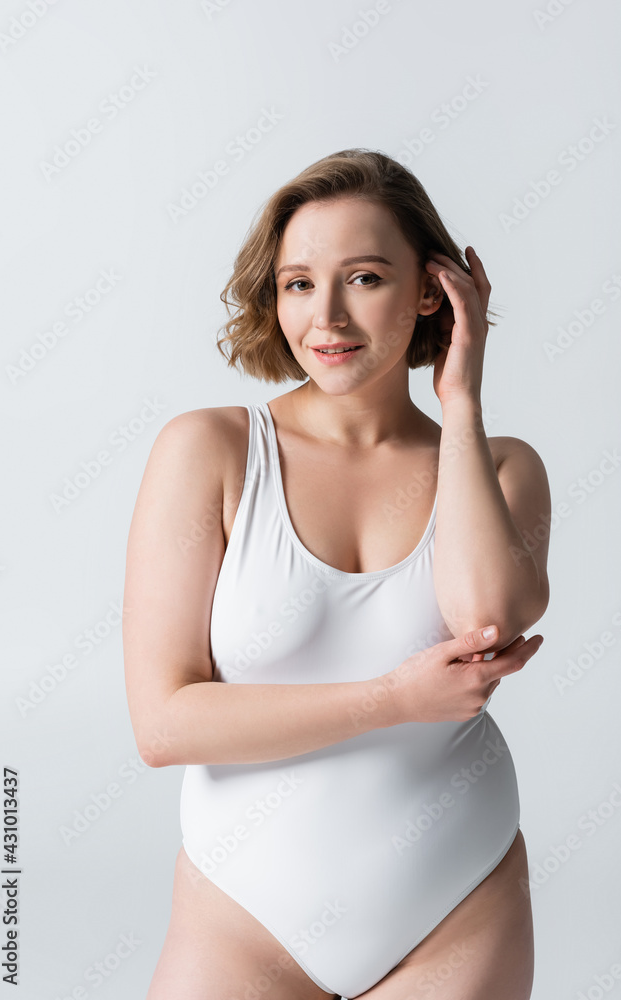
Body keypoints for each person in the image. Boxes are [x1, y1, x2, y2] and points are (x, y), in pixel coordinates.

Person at [122, 148, 550, 1000]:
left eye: (363, 278)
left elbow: (488, 618)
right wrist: (392, 699)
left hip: (455, 910)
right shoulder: (210, 451)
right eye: (297, 283)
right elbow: (163, 725)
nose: (326, 317)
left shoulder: (502, 467)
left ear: (429, 290)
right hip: (241, 921)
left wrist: (460, 401)